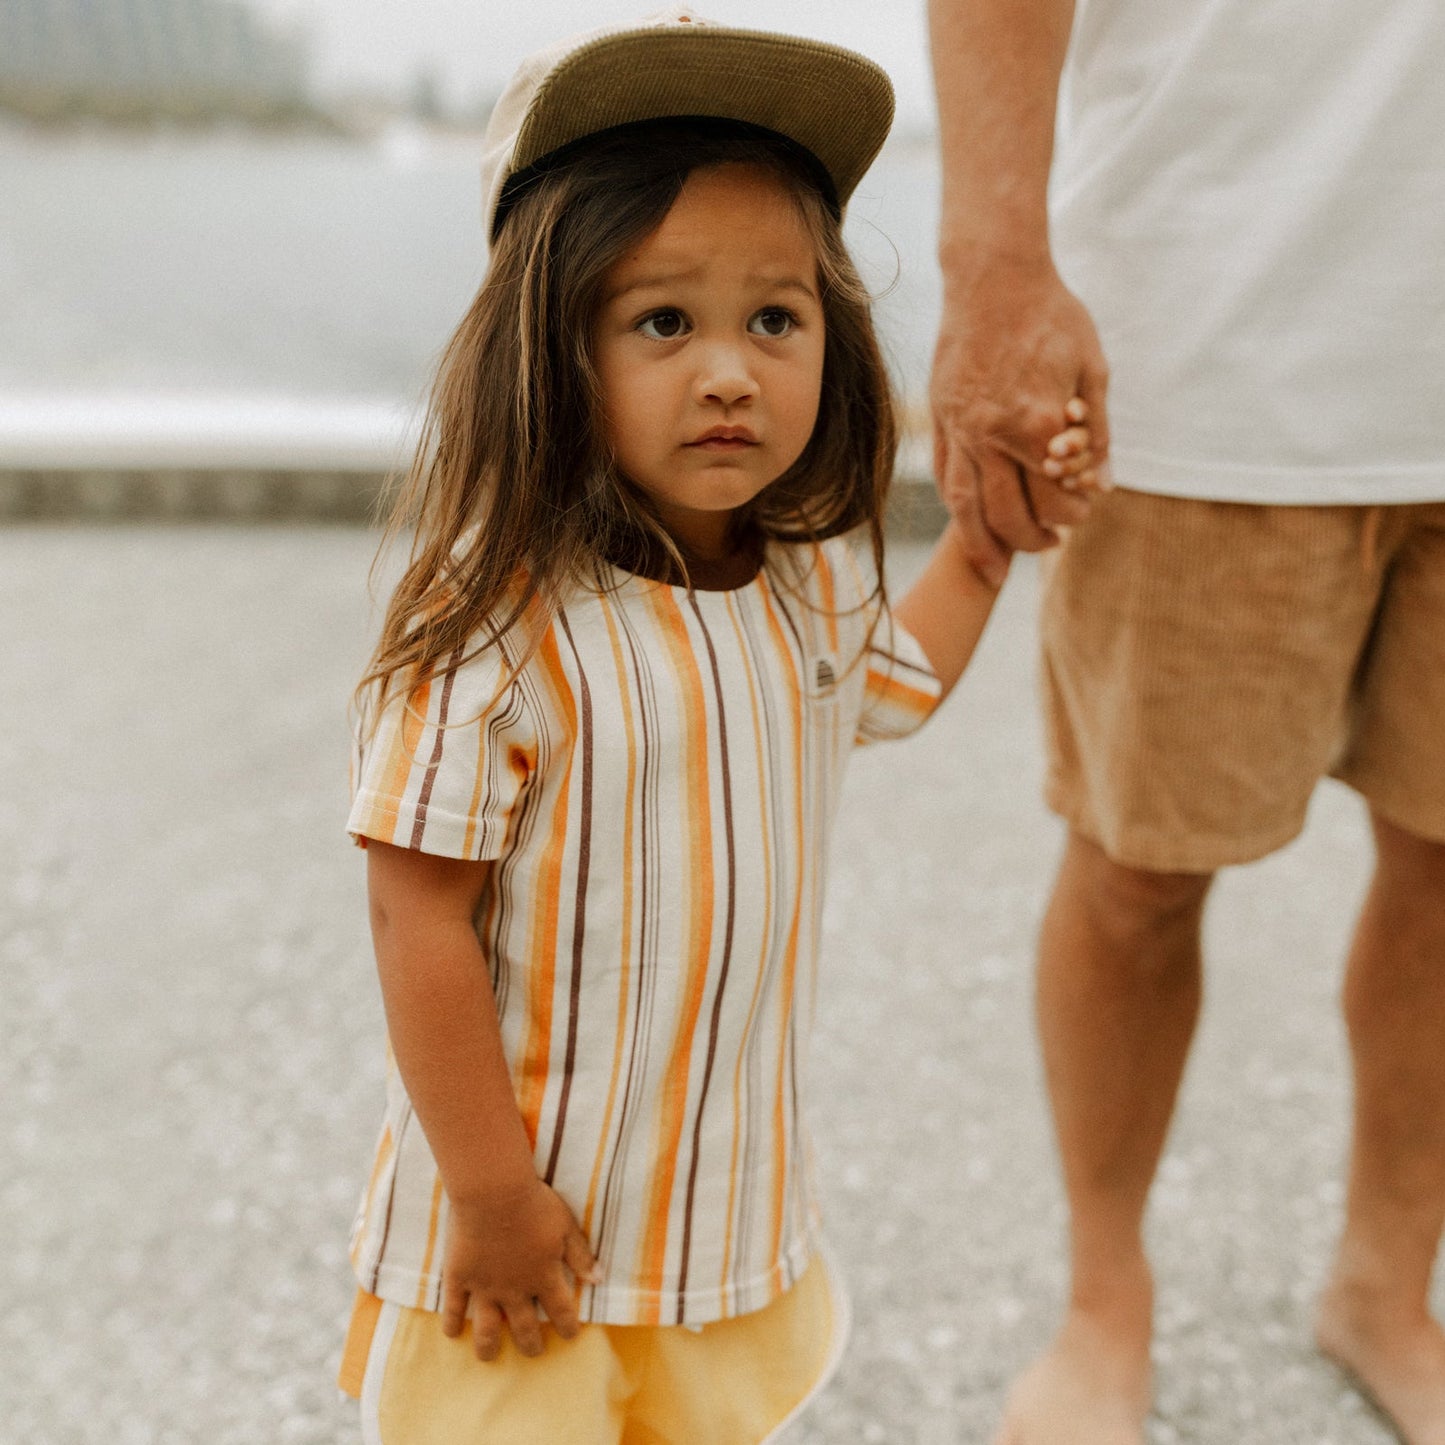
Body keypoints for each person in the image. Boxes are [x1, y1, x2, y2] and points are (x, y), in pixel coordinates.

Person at [333, 11, 1093, 1442]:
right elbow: (413, 916)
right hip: (526, 1224)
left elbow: (892, 684)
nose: (731, 369)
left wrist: (985, 550)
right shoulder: (503, 623)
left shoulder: (803, 587)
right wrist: (489, 1197)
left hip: (711, 1207)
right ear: (548, 345)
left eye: (776, 317)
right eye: (662, 320)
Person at [927, 1, 1445, 1443]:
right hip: (1205, 341)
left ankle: (1384, 1288)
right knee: (1136, 867)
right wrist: (991, 267)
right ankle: (1103, 1303)